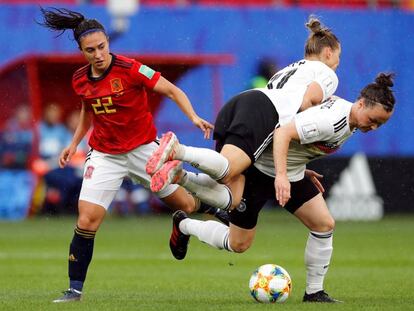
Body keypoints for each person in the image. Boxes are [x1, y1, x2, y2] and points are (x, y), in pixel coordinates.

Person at [149, 73, 396, 303]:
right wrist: (280, 176)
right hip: (261, 172)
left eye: (379, 125)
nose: (372, 127)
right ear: (361, 104)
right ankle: (184, 222)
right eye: (373, 120)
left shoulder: (349, 120)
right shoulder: (331, 121)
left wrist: (299, 167)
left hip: (291, 173)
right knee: (239, 244)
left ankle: (314, 292)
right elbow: (282, 133)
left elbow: (301, 141)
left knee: (324, 224)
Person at [38, 7, 227, 302]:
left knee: (186, 204)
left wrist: (193, 117)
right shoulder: (80, 79)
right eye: (91, 50)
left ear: (107, 43)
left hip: (143, 151)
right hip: (104, 155)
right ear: (81, 51)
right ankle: (74, 290)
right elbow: (89, 109)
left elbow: (173, 90)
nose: (98, 54)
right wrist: (75, 143)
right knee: (87, 219)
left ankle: (205, 211)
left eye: (102, 46)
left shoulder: (131, 69)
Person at [146, 15, 341, 212]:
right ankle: (178, 150)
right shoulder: (326, 73)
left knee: (232, 194)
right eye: (338, 57)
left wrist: (294, 168)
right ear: (328, 52)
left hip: (241, 104)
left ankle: (179, 176)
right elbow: (308, 101)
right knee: (227, 170)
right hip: (263, 111)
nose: (337, 64)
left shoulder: (289, 69)